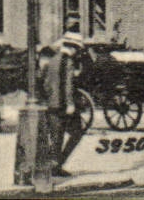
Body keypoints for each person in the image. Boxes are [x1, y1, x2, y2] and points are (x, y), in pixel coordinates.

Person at [41, 33, 86, 178]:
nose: (77, 52)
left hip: (52, 104)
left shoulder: (53, 59)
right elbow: (68, 84)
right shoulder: (68, 61)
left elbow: (45, 82)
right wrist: (70, 103)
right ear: (73, 48)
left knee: (56, 137)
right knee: (77, 132)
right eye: (77, 49)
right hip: (64, 105)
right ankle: (57, 165)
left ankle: (54, 166)